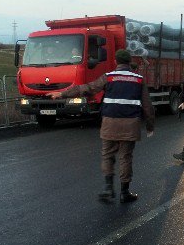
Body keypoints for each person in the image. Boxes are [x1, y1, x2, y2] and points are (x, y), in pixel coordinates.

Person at [47, 49, 154, 203]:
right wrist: (150, 126)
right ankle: (125, 193)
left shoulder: (108, 77)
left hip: (109, 123)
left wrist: (62, 94)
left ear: (116, 62)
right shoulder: (139, 79)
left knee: (107, 155)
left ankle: (108, 189)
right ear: (129, 62)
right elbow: (148, 106)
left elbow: (87, 88)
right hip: (130, 125)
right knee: (125, 157)